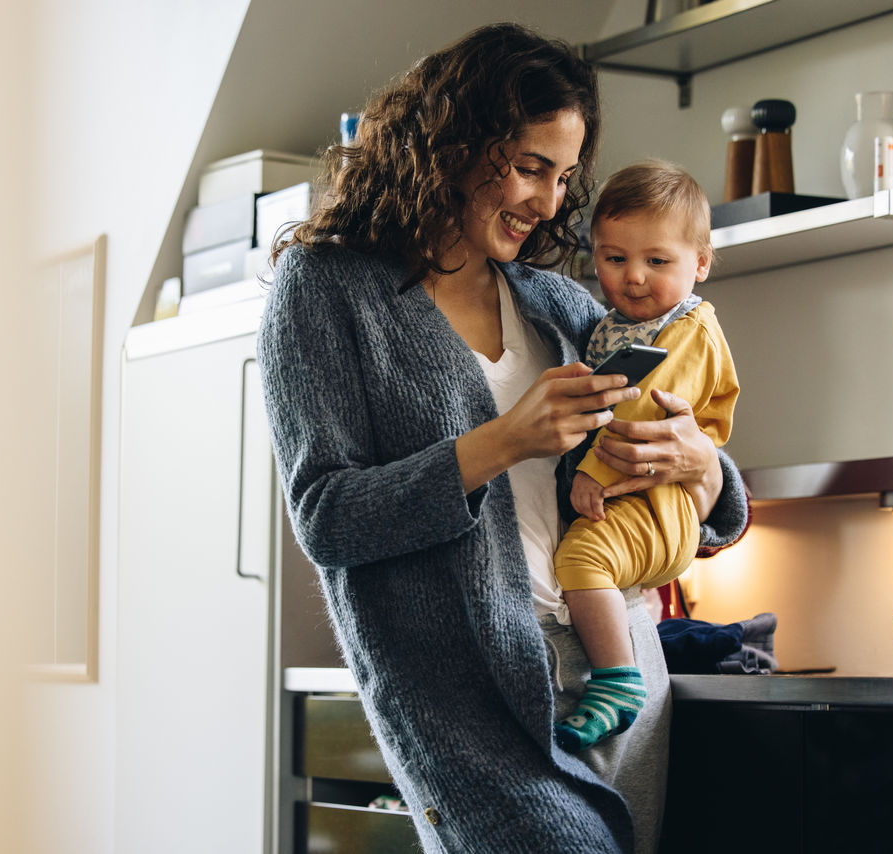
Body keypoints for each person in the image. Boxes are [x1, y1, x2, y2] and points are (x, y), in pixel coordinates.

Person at [257, 23, 749, 854]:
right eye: (527, 167)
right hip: (470, 696)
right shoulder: (327, 287)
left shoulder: (557, 306)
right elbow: (326, 516)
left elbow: (711, 503)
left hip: (620, 659)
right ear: (448, 144)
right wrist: (505, 440)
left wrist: (702, 464)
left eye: (562, 177)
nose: (551, 202)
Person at [552, 160, 740, 753]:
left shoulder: (687, 330)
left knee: (582, 562)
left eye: (657, 261)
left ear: (700, 264)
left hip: (652, 499)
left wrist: (592, 476)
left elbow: (642, 413)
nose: (633, 278)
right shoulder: (613, 324)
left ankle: (616, 679)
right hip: (651, 499)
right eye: (613, 259)